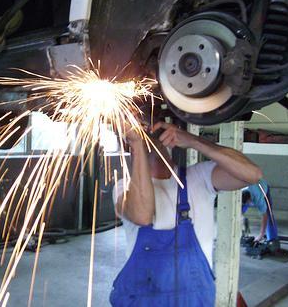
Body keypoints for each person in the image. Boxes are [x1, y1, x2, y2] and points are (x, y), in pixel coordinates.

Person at [110, 121, 263, 306]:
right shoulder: (123, 189)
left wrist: (194, 141)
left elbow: (253, 174)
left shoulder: (199, 177)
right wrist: (137, 144)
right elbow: (142, 216)